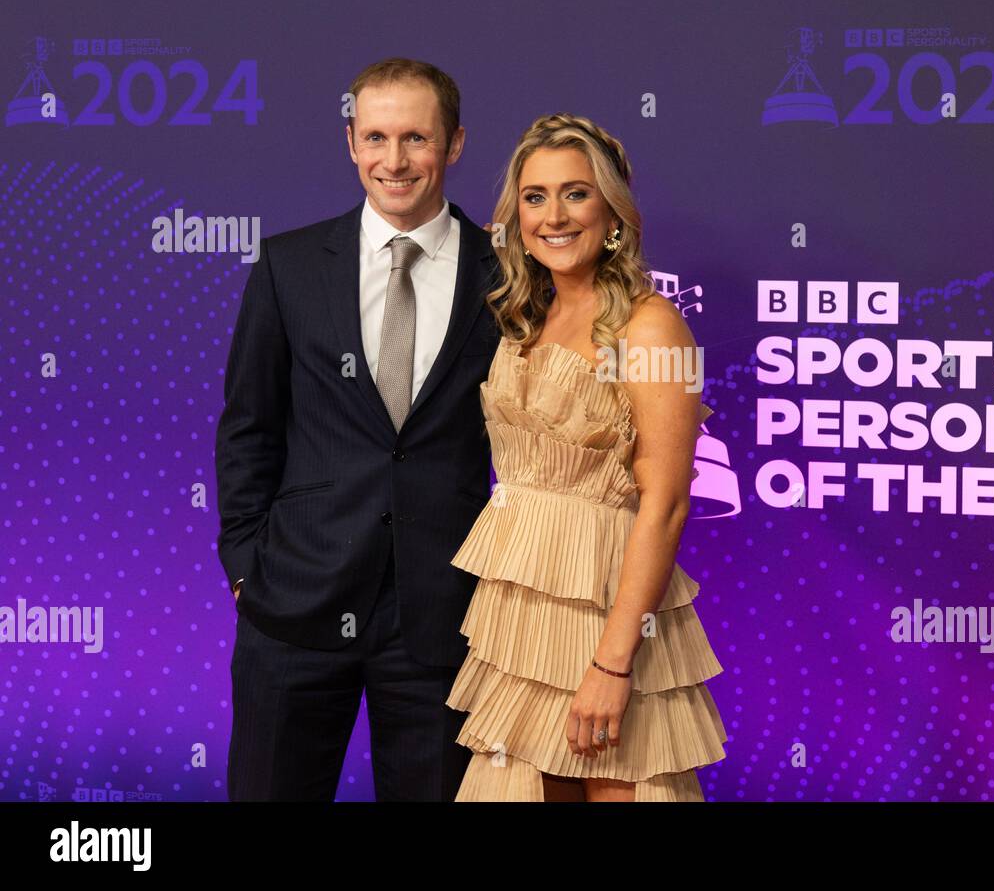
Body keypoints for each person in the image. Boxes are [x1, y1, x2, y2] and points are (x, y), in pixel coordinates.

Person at [216, 58, 502, 800]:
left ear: (457, 142)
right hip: (295, 603)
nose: (395, 160)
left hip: (445, 614)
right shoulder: (290, 264)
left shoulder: (506, 273)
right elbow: (249, 426)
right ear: (351, 142)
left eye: (416, 138)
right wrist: (247, 566)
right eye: (375, 137)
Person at [447, 113, 727, 801]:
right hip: (518, 624)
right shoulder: (523, 317)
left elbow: (665, 503)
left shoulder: (654, 324)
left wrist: (612, 663)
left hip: (611, 619)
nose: (553, 215)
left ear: (613, 212)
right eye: (535, 197)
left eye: (576, 193)